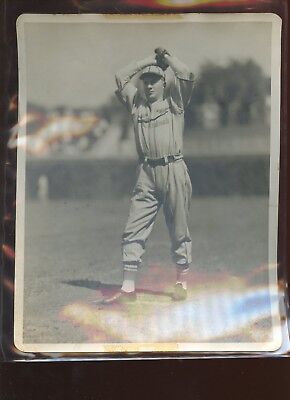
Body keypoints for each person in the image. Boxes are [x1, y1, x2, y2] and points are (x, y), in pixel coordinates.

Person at [102, 48, 194, 304]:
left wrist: (168, 59)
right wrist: (149, 62)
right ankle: (128, 289)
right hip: (146, 172)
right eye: (146, 80)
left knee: (178, 230)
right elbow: (121, 77)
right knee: (133, 227)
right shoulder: (136, 104)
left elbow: (186, 74)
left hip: (173, 168)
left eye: (155, 80)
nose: (150, 85)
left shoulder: (175, 103)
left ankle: (181, 282)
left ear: (164, 83)